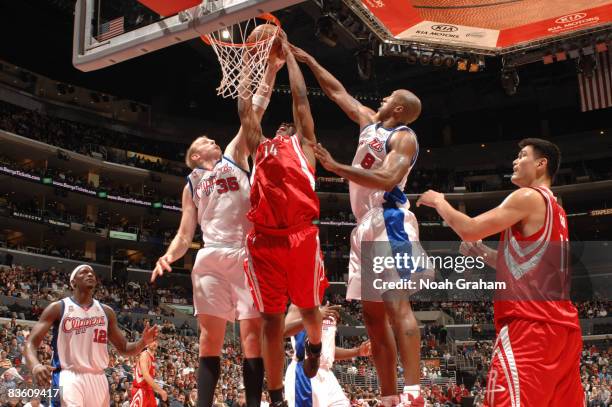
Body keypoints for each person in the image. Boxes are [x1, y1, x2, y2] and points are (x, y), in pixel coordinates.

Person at [290, 46, 426, 406]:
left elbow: (386, 177)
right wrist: (308, 59)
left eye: (388, 98)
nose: (380, 98)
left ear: (398, 109)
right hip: (363, 226)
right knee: (372, 317)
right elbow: (337, 92)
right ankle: (389, 397)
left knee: (398, 306)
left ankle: (413, 393)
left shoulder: (404, 137)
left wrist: (336, 168)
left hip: (389, 220)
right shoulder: (369, 123)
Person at [150, 50, 283, 407]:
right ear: (194, 156)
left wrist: (269, 68)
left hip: (244, 252)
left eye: (211, 139)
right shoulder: (191, 184)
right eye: (203, 141)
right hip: (209, 256)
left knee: (251, 337)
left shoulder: (232, 155)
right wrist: (168, 256)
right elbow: (183, 234)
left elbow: (254, 112)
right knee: (209, 339)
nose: (211, 140)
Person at [416, 138, 583, 406]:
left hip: (529, 327)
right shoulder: (557, 210)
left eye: (522, 156)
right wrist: (481, 253)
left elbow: (470, 228)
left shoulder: (528, 196)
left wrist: (439, 203)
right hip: (563, 331)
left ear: (541, 164)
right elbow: (526, 267)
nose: (515, 161)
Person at [239, 35, 327, 407]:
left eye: (286, 127)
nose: (282, 129)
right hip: (264, 241)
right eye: (279, 128)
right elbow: (246, 113)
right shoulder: (259, 147)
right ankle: (276, 397)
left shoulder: (305, 146)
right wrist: (248, 63)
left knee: (308, 309)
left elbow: (300, 100)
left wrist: (290, 56)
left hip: (300, 237)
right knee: (270, 322)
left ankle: (316, 346)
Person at [23, 264, 159, 406]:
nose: (90, 275)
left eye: (92, 273)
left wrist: (143, 342)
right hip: (69, 375)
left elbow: (124, 348)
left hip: (99, 377)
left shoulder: (106, 312)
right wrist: (36, 366)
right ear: (73, 282)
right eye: (84, 272)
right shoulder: (58, 308)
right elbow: (30, 343)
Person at [284, 303, 371, 407]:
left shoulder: (326, 308)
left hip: (327, 374)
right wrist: (315, 317)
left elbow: (329, 350)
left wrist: (357, 351)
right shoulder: (297, 306)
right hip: (305, 372)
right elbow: (283, 331)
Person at [130, 340, 166, 406]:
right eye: (152, 341)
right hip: (140, 390)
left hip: (148, 391)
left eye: (156, 341)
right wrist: (160, 390)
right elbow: (146, 376)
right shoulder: (144, 355)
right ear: (147, 343)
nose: (154, 343)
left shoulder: (152, 357)